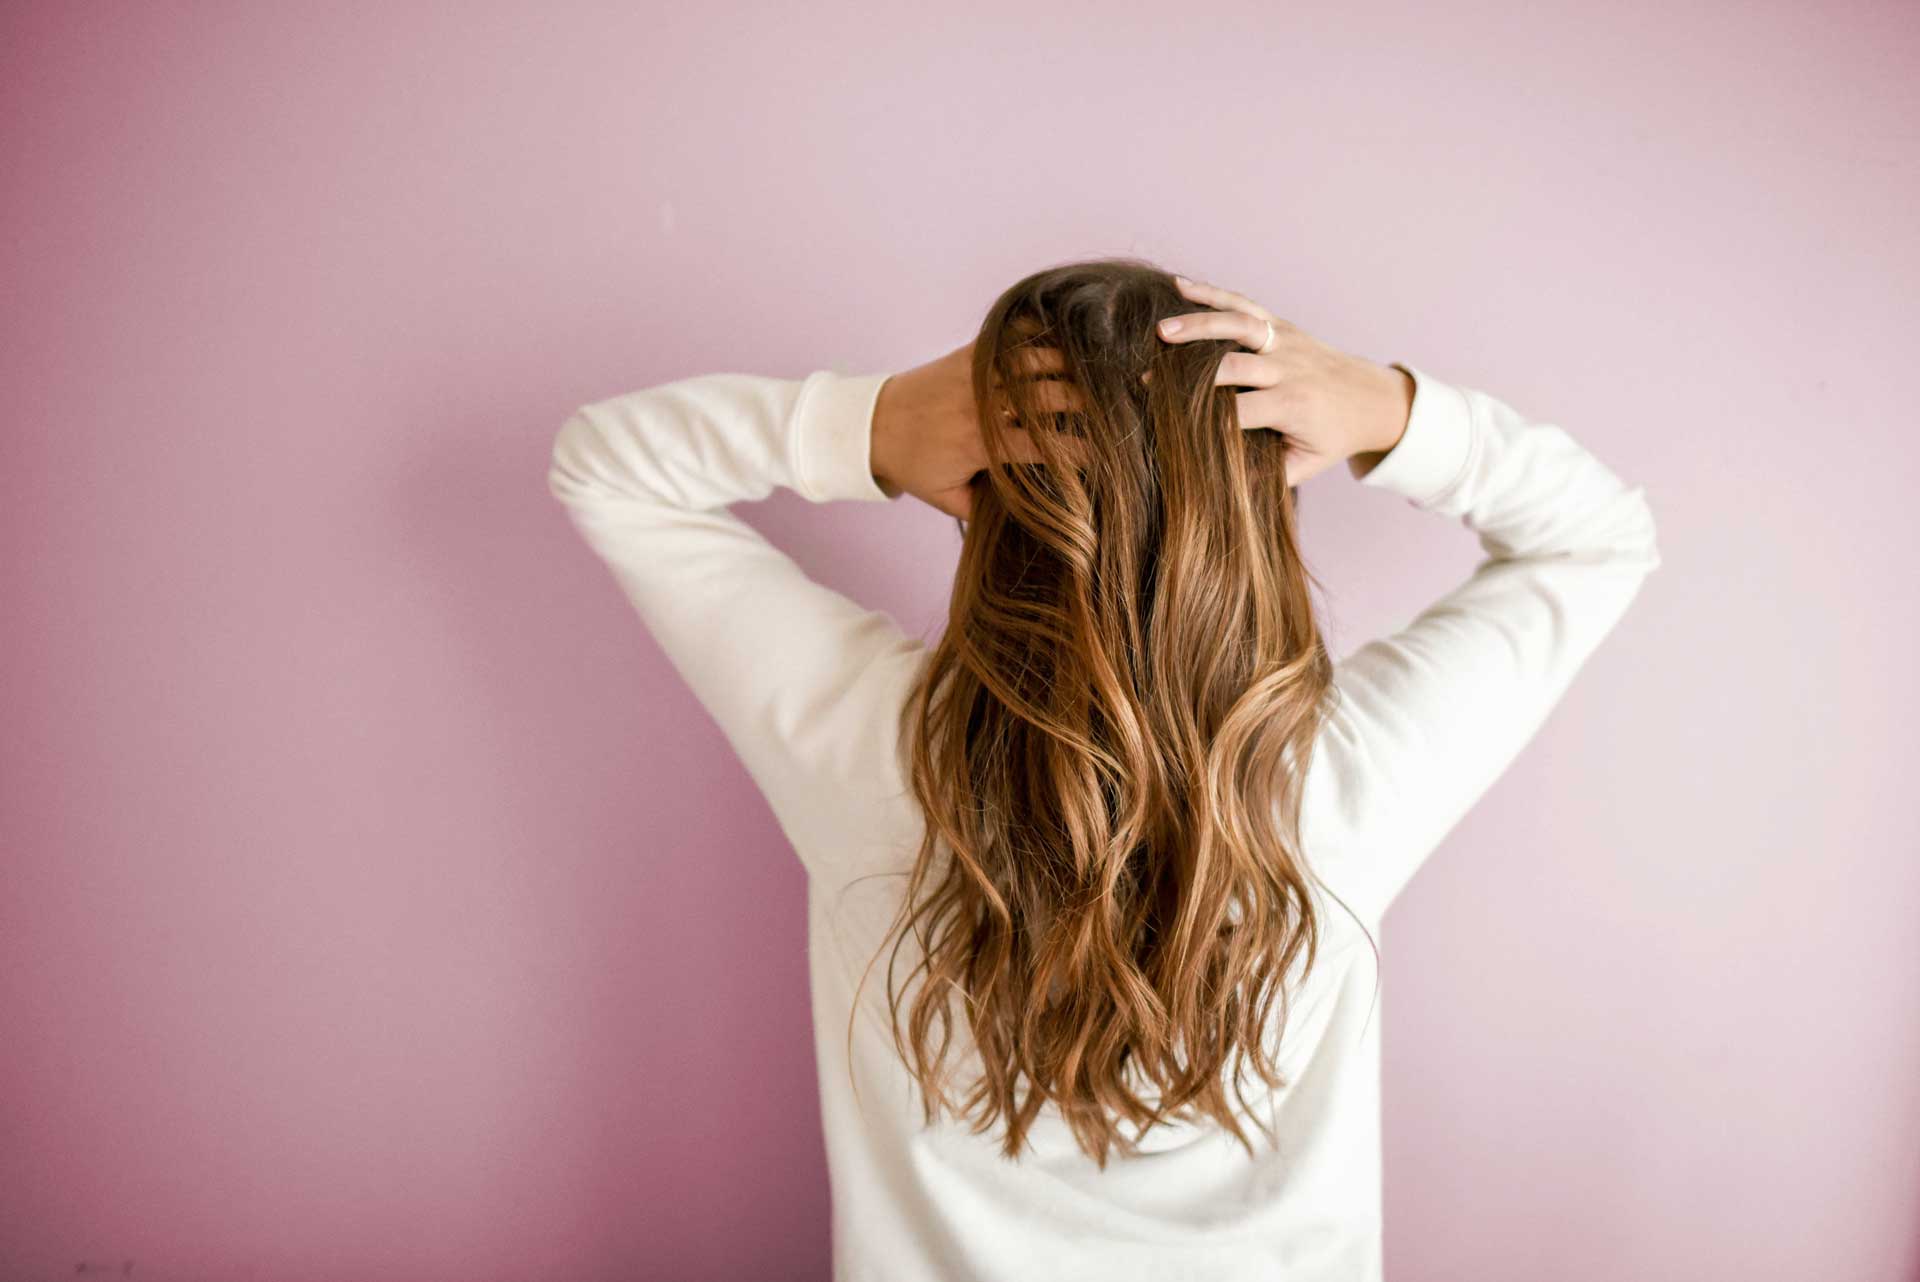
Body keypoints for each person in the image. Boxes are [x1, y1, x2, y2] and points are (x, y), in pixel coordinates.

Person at [546, 258, 1661, 1281]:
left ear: (984, 492)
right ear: (1263, 503)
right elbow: (1600, 537)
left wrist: (873, 424)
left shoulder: (875, 750)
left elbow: (606, 467)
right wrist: (1386, 411)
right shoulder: (1340, 780)